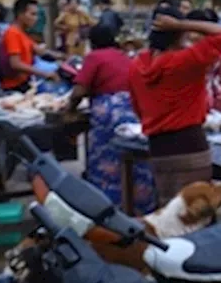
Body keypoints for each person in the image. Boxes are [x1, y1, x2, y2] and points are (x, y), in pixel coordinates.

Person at [128, 4, 221, 203]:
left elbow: (137, 106)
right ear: (179, 35)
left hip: (157, 147)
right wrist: (182, 24)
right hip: (189, 144)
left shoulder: (137, 65)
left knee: (169, 212)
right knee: (196, 212)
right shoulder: (185, 61)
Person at [66, 24, 155, 211]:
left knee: (106, 161)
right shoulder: (123, 55)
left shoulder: (95, 57)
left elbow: (79, 91)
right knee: (133, 159)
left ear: (92, 42)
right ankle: (138, 206)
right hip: (134, 107)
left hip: (109, 112)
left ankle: (107, 208)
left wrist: (69, 109)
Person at [1, 0, 59, 92]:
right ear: (20, 15)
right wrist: (44, 73)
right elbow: (15, 64)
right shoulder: (12, 33)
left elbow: (39, 51)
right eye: (33, 14)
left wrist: (63, 57)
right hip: (14, 87)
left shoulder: (23, 34)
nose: (36, 18)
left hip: (24, 82)